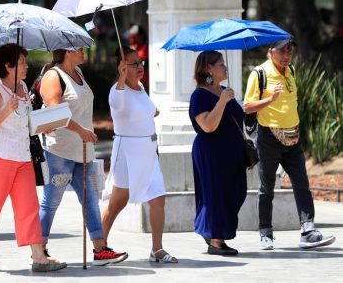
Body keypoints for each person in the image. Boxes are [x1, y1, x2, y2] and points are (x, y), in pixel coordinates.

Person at [0, 44, 67, 273]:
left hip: (23, 157)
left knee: (29, 207)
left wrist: (42, 126)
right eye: (21, 63)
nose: (27, 66)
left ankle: (39, 257)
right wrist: (6, 110)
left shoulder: (23, 87)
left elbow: (25, 121)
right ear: (8, 66)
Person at [243, 39, 336, 250]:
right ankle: (265, 233)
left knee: (302, 183)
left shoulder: (290, 70)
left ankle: (308, 231)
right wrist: (270, 99)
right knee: (267, 187)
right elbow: (248, 107)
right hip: (268, 137)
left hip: (293, 136)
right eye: (282, 52)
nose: (287, 56)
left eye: (290, 51)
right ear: (270, 52)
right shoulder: (259, 74)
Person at [38, 47, 128, 266]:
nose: (84, 50)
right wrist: (81, 130)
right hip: (59, 149)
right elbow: (55, 111)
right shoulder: (53, 76)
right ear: (67, 51)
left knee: (90, 200)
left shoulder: (79, 72)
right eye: (78, 47)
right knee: (51, 201)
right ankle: (39, 250)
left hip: (83, 149)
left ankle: (100, 249)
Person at [101, 46, 178, 263]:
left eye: (140, 62)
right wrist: (123, 79)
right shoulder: (117, 90)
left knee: (158, 198)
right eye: (134, 63)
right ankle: (100, 245)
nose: (140, 66)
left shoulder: (141, 87)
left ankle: (157, 249)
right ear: (122, 67)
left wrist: (152, 111)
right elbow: (116, 105)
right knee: (118, 201)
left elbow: (146, 110)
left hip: (148, 153)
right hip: (127, 153)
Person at [189, 51, 247, 256]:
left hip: (232, 152)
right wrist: (222, 101)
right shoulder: (199, 96)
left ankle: (214, 233)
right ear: (208, 69)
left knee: (236, 192)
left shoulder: (225, 91)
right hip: (210, 153)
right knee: (215, 194)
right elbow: (207, 126)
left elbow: (240, 120)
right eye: (220, 65)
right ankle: (215, 239)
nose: (225, 67)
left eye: (224, 64)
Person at [128, 24, 149, 90]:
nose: (132, 39)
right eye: (131, 37)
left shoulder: (145, 48)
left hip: (144, 83)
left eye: (134, 37)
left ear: (141, 36)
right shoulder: (133, 47)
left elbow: (143, 64)